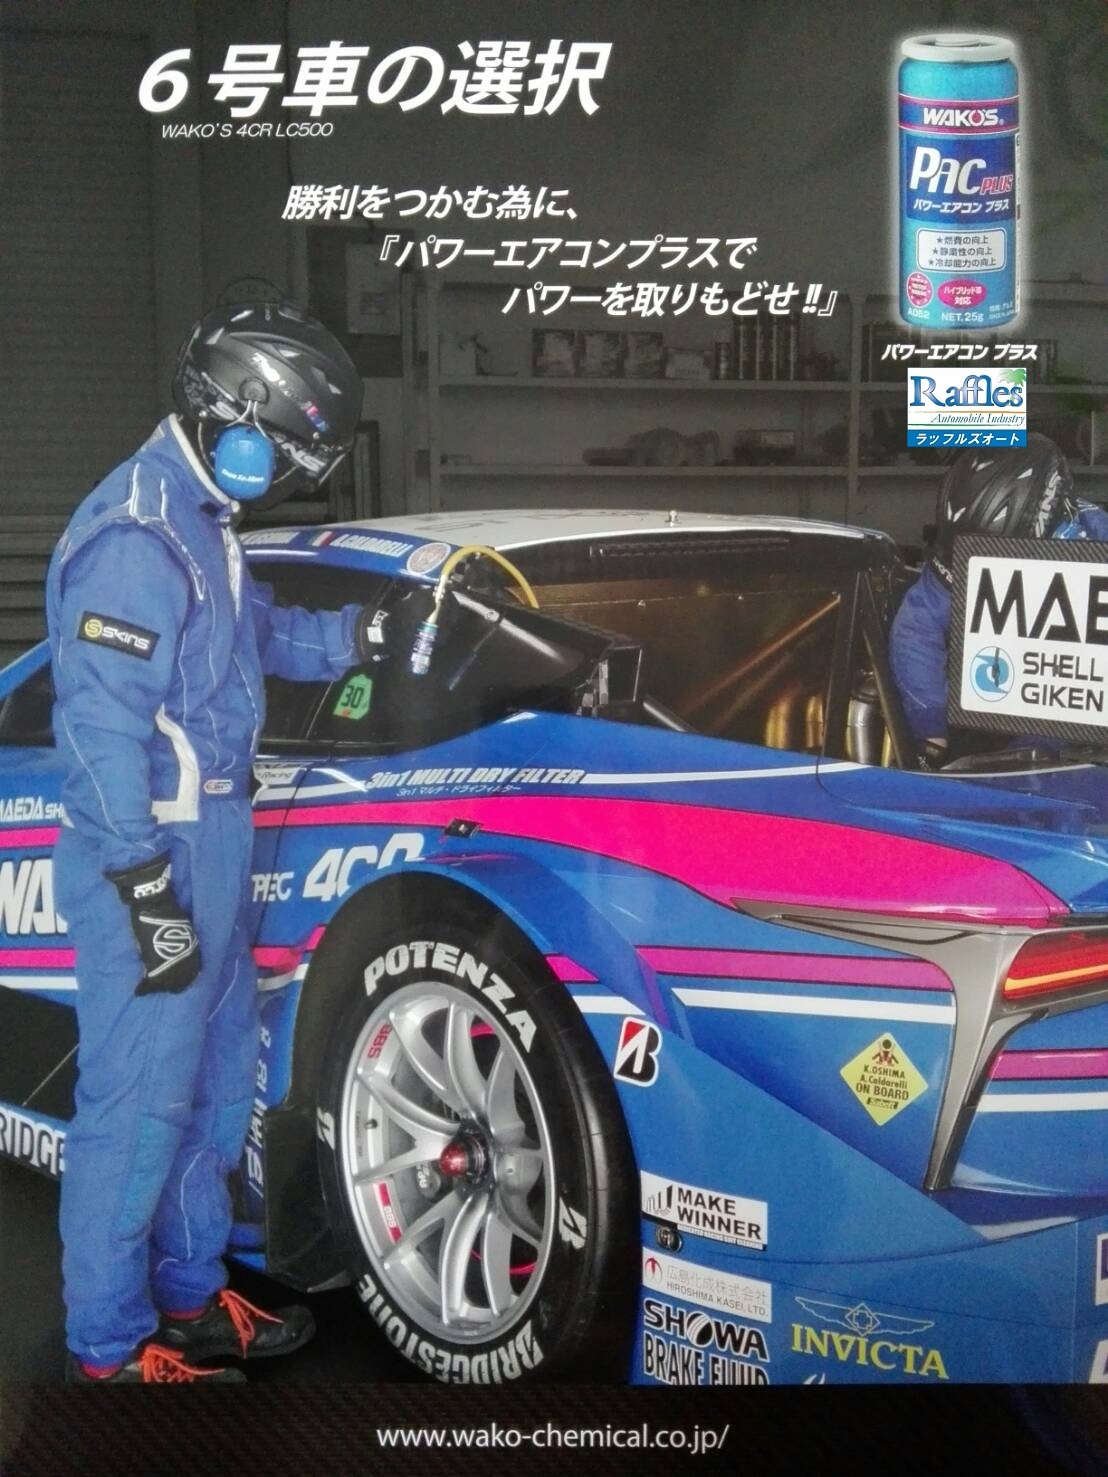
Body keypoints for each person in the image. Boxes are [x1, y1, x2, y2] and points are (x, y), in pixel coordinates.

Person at [46, 302, 377, 1383]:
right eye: (281, 449)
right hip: (152, 850)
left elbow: (254, 631)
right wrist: (144, 886)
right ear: (228, 413)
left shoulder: (201, 519)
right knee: (139, 1103)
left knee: (217, 1082)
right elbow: (98, 733)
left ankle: (187, 1299)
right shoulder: (134, 535)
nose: (284, 475)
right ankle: (109, 1348)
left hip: (218, 839)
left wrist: (361, 636)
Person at [889, 434, 1108, 762]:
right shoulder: (962, 544)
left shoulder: (1096, 553)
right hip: (987, 708)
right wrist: (929, 728)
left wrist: (1038, 748)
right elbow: (917, 627)